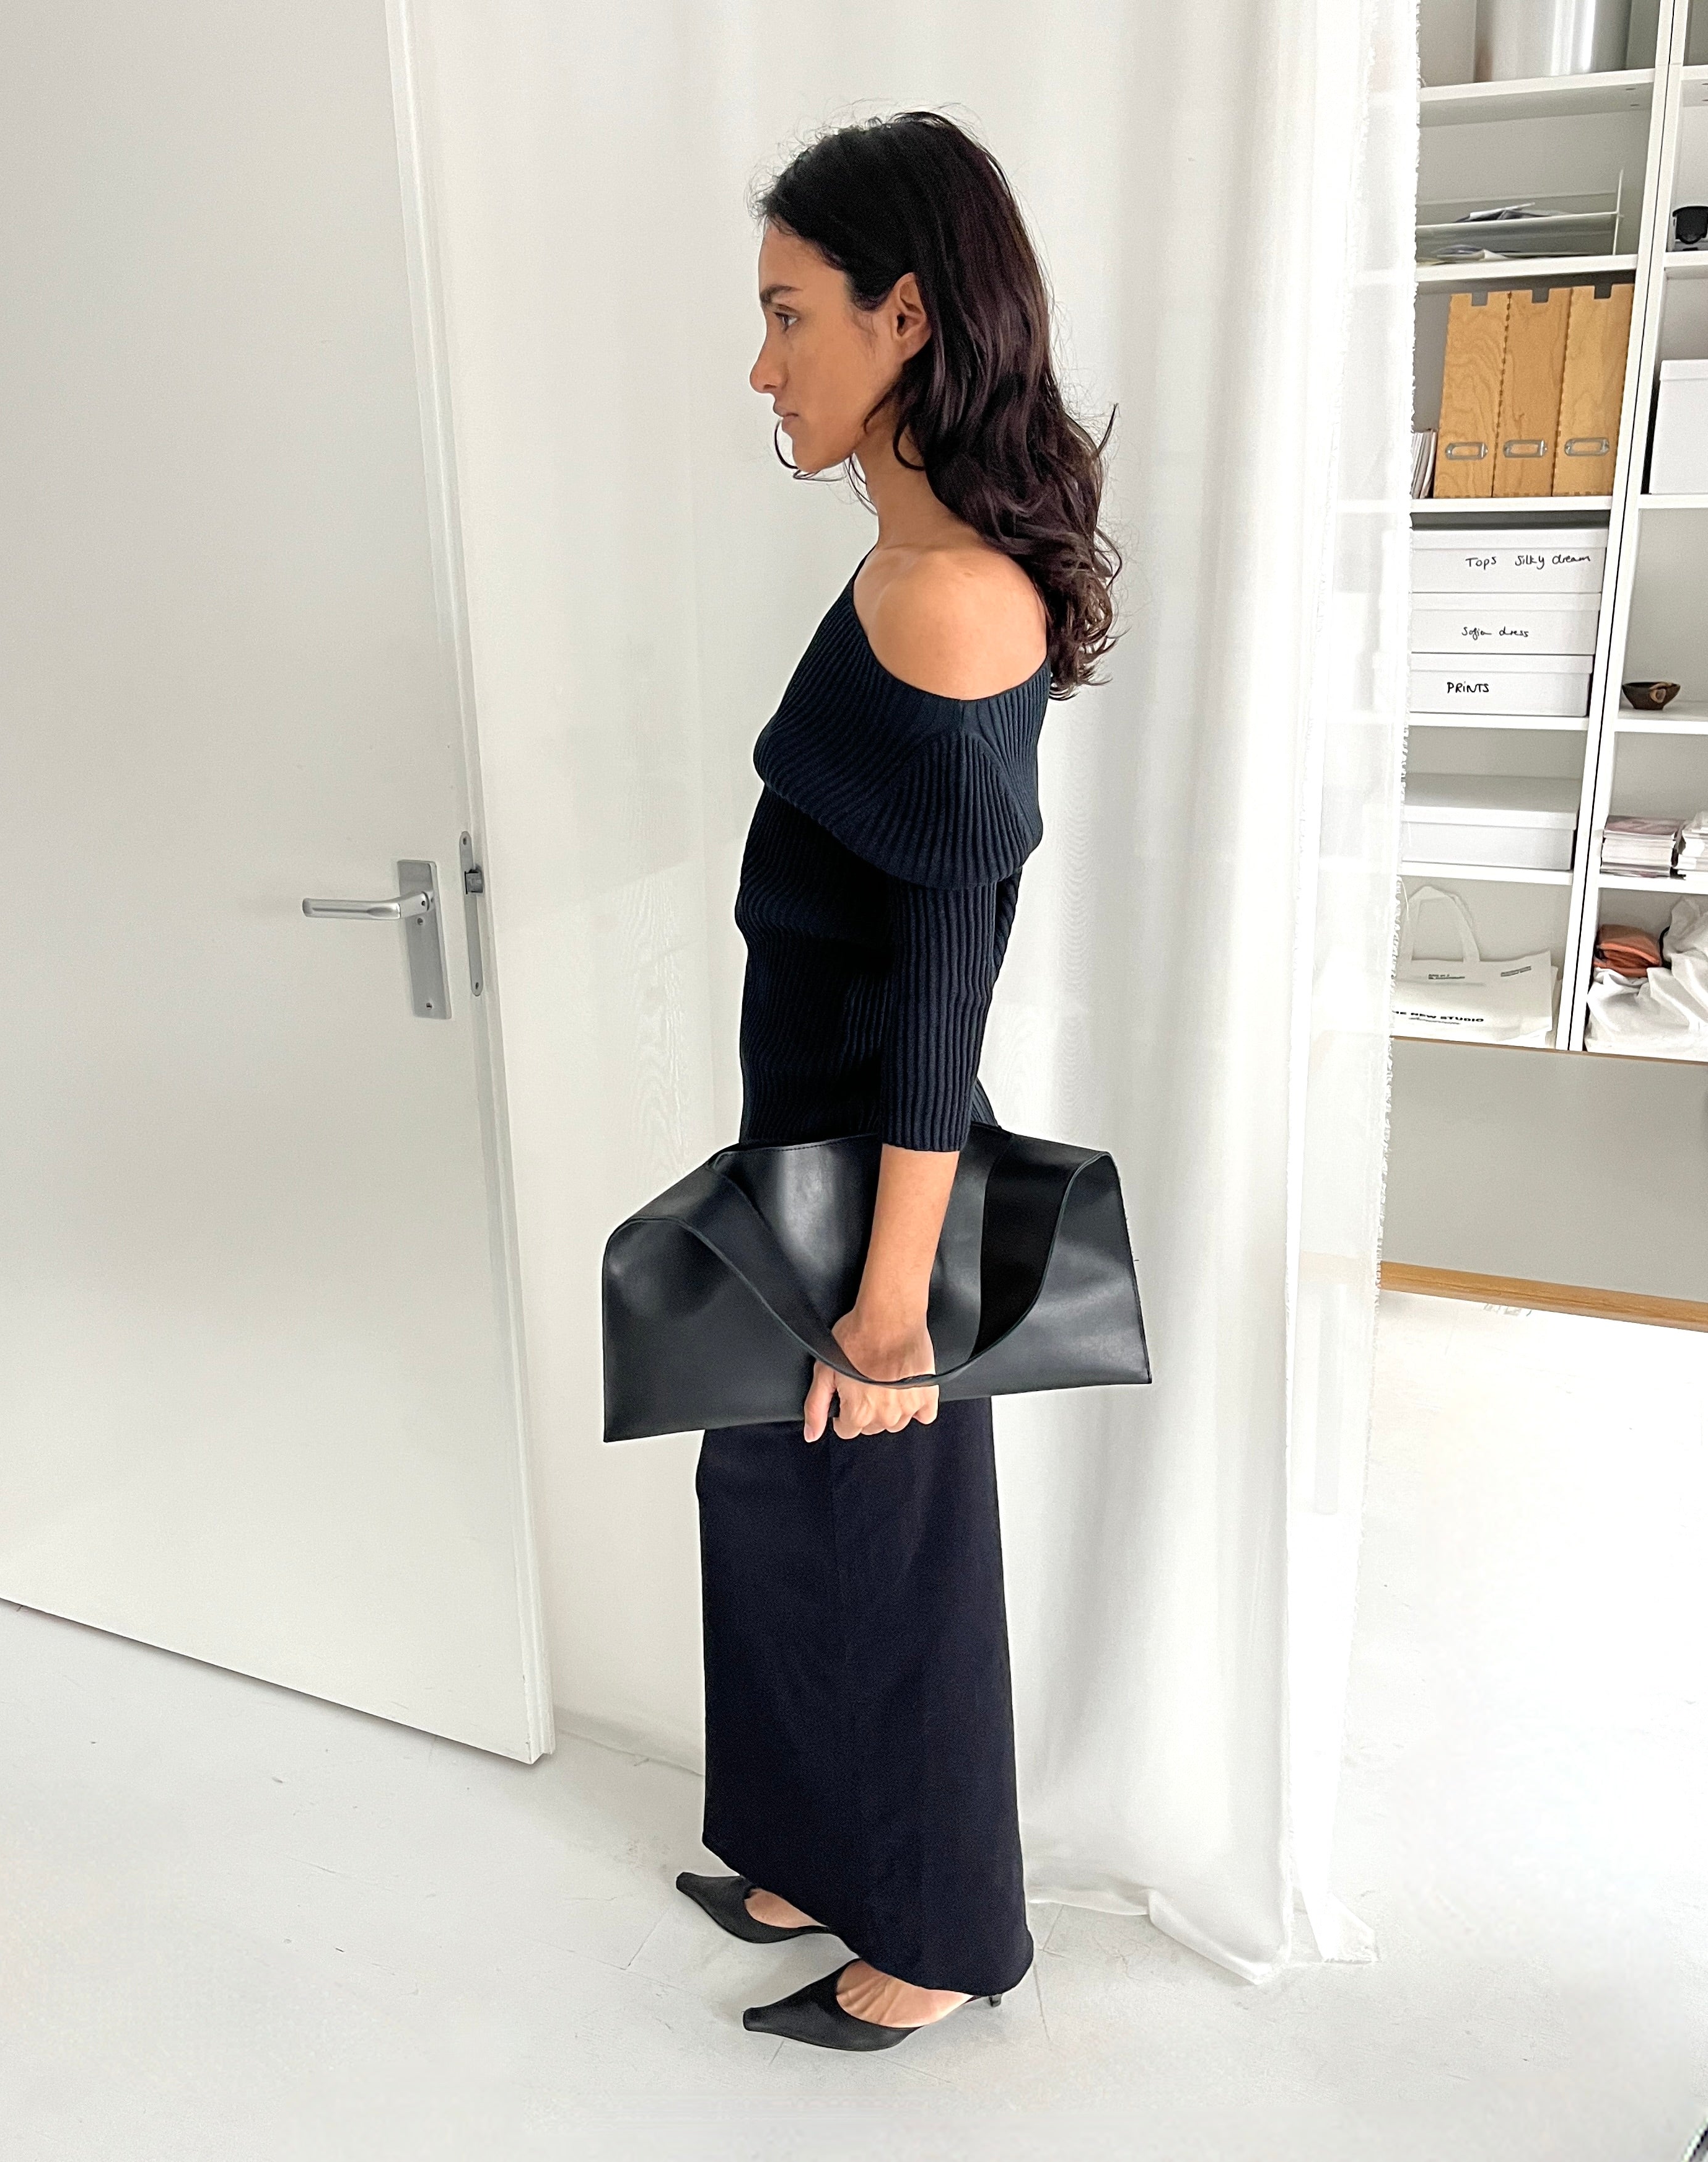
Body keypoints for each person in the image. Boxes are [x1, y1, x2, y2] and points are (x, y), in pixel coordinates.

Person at [673, 110, 1118, 2054]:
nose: (763, 363)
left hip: (879, 1172)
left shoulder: (944, 599)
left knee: (890, 1546)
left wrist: (892, 1309)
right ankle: (805, 1842)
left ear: (907, 315)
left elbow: (945, 987)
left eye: (791, 314)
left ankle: (939, 1928)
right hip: (803, 1145)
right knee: (766, 1498)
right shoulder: (911, 555)